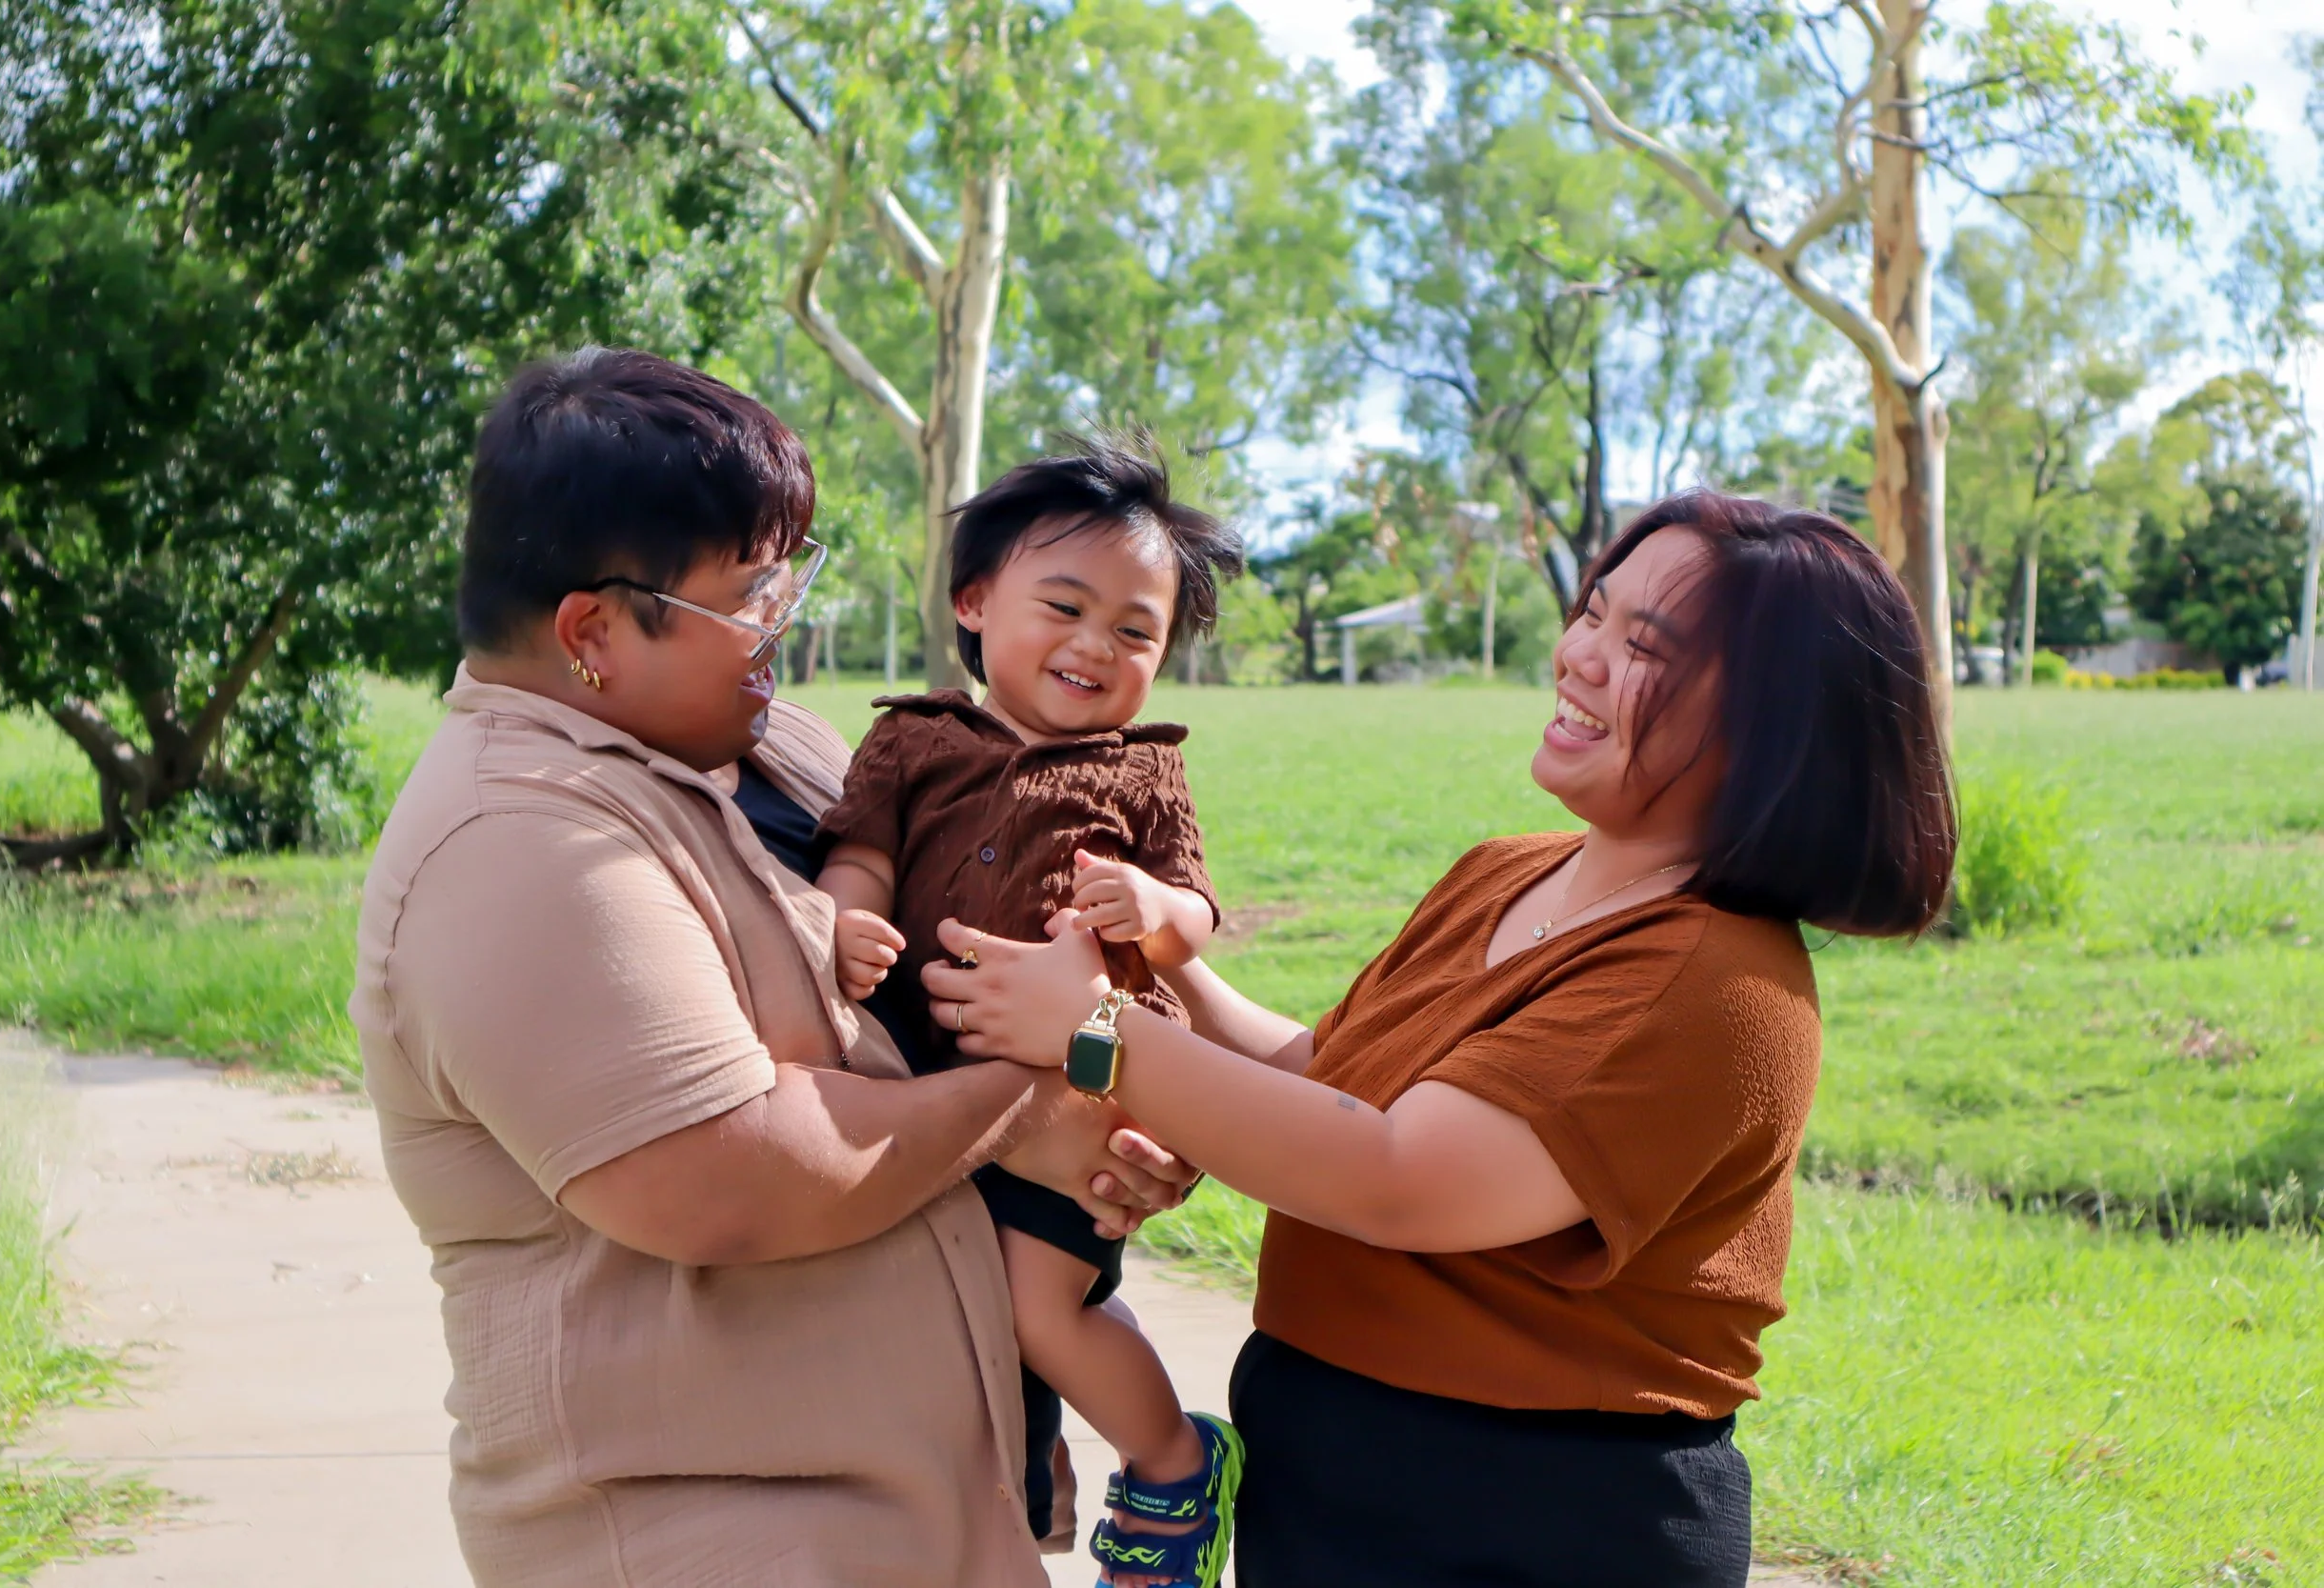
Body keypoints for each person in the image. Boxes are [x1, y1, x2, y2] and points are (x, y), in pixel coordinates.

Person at [921, 491, 1957, 1588]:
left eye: (1642, 645)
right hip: (1329, 1474)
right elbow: (1325, 1077)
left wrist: (1099, 1033)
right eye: (1592, 613)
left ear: (1769, 724)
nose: (1580, 658)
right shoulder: (1509, 871)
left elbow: (1396, 1176)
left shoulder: (1714, 982)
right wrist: (1155, 967)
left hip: (1524, 1519)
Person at [349, 347, 1192, 1587]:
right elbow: (746, 1173)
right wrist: (1057, 1085)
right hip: (726, 1535)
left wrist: (1132, 1116)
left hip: (917, 1510)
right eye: (747, 593)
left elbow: (962, 992)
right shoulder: (518, 842)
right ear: (591, 630)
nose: (780, 620)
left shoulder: (768, 744)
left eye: (788, 574)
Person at [817, 440, 1248, 1588]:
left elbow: (1195, 910)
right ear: (973, 601)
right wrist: (842, 919)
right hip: (930, 1086)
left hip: (1081, 1096)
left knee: (1039, 1305)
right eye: (1064, 606)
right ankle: (1027, 1469)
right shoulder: (908, 738)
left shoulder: (1144, 771)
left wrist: (1155, 905)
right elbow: (860, 852)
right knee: (953, 1316)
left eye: (1134, 630)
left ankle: (1168, 1462)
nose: (1094, 645)